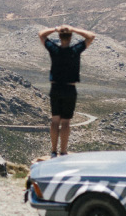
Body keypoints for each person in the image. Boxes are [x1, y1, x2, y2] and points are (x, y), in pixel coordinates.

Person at [38, 24, 97, 158]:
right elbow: (91, 36)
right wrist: (74, 29)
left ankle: (53, 151)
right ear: (70, 37)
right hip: (69, 88)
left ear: (59, 36)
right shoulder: (75, 50)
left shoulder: (54, 50)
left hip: (55, 87)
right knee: (66, 122)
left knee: (55, 120)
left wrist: (55, 29)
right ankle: (63, 152)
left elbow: (41, 34)